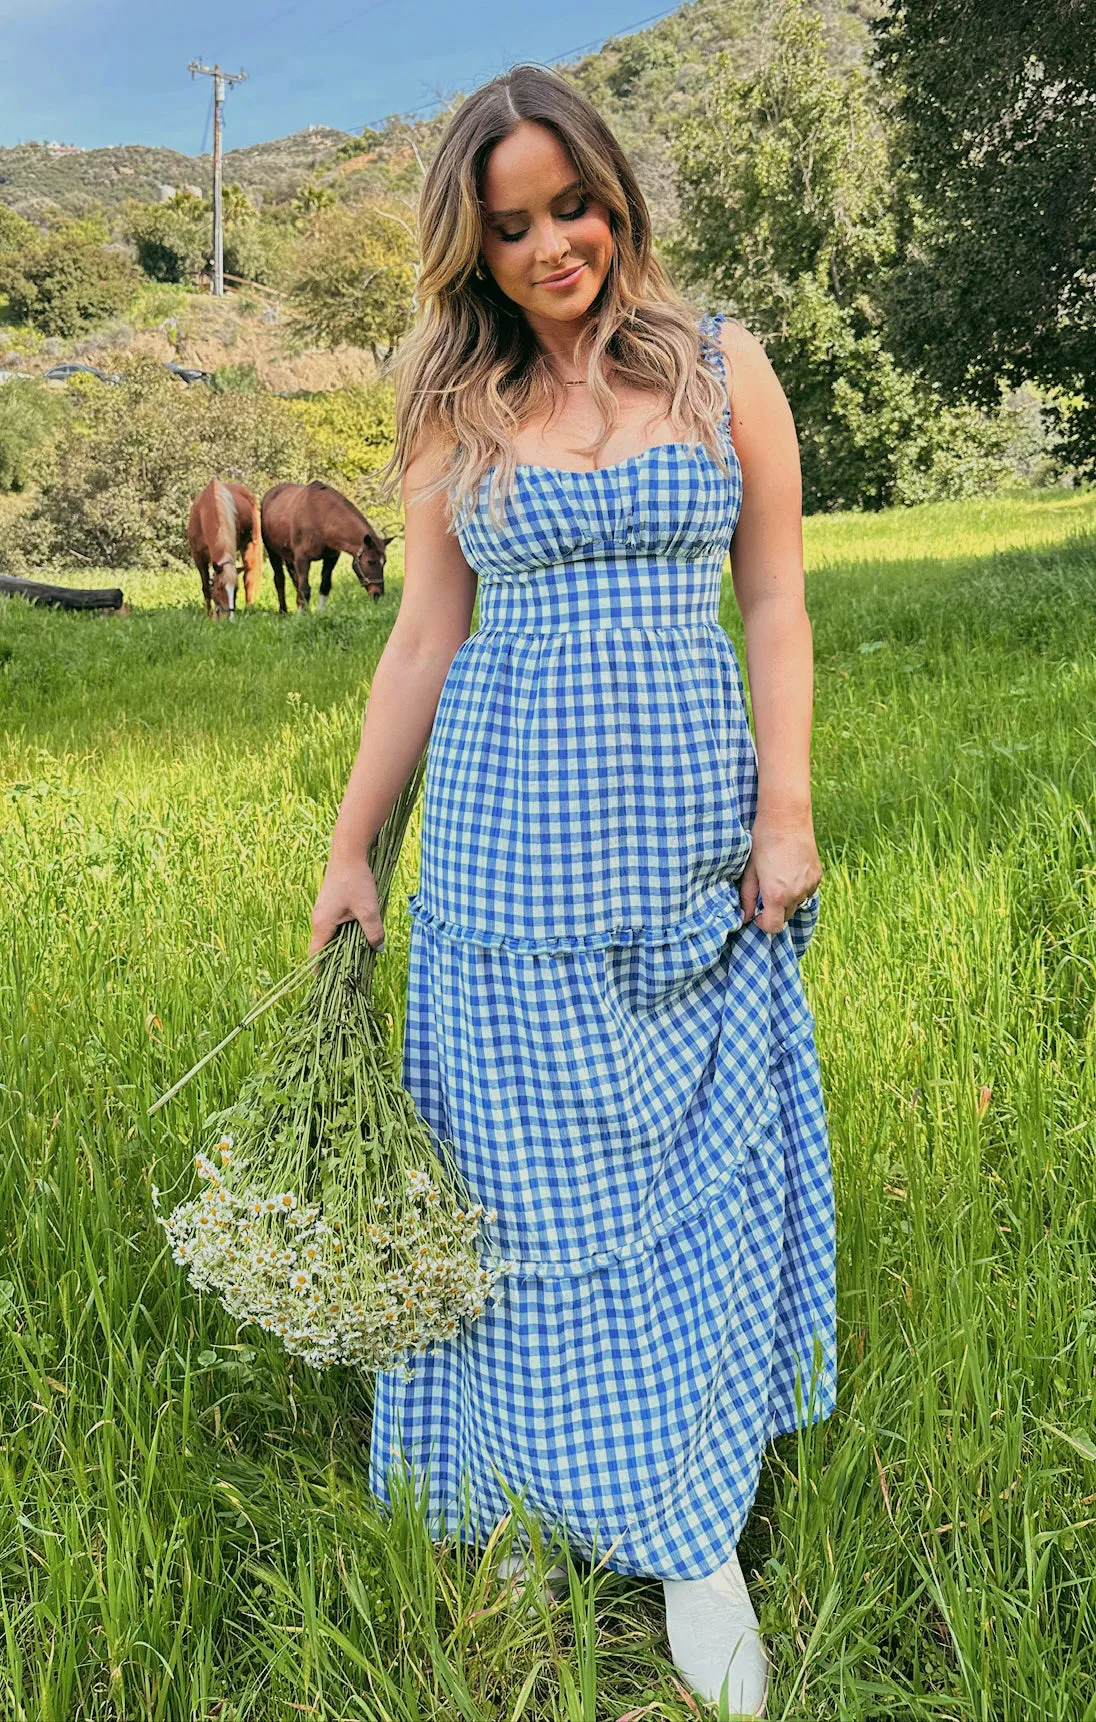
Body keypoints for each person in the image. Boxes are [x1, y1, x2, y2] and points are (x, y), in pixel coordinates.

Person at [310, 62, 837, 1717]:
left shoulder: (724, 367)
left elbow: (774, 601)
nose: (554, 246)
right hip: (502, 868)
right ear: (472, 244)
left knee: (692, 1181)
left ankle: (689, 1533)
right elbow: (421, 636)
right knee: (517, 1206)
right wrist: (351, 845)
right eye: (513, 223)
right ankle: (522, 1500)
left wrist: (789, 806)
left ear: (619, 196)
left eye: (575, 206)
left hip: (693, 864)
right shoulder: (454, 404)